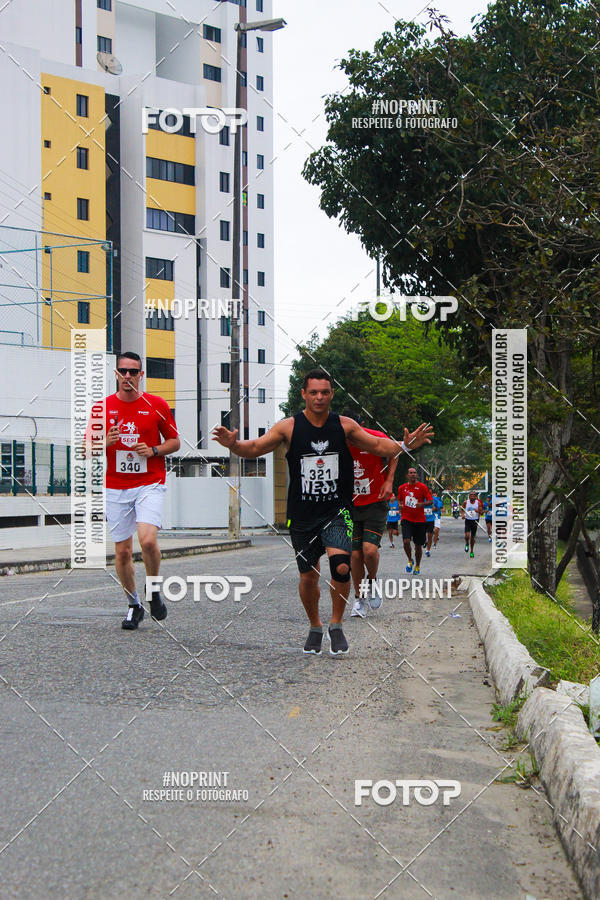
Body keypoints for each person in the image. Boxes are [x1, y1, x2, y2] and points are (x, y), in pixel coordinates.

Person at [212, 369, 434, 656]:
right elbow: (254, 448)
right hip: (303, 514)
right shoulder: (288, 428)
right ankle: (315, 625)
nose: (319, 397)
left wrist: (405, 445)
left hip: (337, 511)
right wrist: (233, 444)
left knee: (341, 566)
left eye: (325, 392)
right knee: (308, 576)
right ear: (303, 394)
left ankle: (337, 624)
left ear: (331, 394)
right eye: (313, 392)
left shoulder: (345, 426)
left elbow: (379, 446)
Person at [89, 352, 180, 630]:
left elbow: (174, 442)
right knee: (122, 553)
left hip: (149, 482)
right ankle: (134, 605)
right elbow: (86, 448)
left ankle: (153, 590)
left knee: (148, 540)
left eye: (133, 371)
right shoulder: (101, 408)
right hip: (116, 487)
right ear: (116, 374)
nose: (127, 376)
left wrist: (153, 450)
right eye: (122, 371)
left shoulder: (156, 405)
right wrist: (105, 441)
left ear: (141, 375)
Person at [343, 412, 398, 619]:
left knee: (369, 551)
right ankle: (359, 598)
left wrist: (389, 480)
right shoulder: (338, 442)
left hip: (376, 501)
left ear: (361, 426)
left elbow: (396, 451)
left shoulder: (374, 437)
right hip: (350, 504)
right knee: (354, 555)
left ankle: (372, 580)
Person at [398, 467, 433, 575]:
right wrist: (400, 505)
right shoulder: (402, 488)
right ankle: (410, 560)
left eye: (414, 473)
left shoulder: (422, 487)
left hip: (420, 521)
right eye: (411, 473)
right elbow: (399, 500)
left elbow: (430, 501)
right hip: (406, 519)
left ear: (417, 475)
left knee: (418, 546)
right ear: (407, 476)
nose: (413, 474)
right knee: (406, 541)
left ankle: (417, 565)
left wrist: (421, 504)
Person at [462, 491, 484, 558]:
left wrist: (479, 511)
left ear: (475, 497)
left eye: (473, 495)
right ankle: (466, 543)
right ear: (469, 496)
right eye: (470, 495)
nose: (472, 496)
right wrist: (463, 514)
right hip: (468, 520)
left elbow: (482, 513)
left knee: (472, 537)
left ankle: (471, 551)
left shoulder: (478, 503)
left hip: (475, 521)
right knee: (467, 536)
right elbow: (462, 509)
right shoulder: (466, 502)